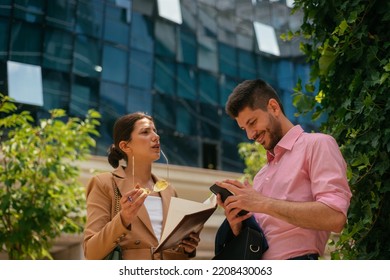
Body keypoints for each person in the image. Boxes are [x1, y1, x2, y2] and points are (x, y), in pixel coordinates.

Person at [215, 79, 352, 260]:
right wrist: (237, 224)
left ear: (273, 107)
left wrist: (262, 203)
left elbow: (335, 217)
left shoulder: (318, 144)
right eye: (244, 128)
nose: (250, 135)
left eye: (252, 122)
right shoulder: (262, 175)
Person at [83, 112, 200, 260]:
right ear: (125, 145)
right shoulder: (104, 183)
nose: (155, 136)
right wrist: (123, 218)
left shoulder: (169, 190)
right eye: (145, 132)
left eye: (155, 131)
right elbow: (91, 252)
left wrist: (186, 248)